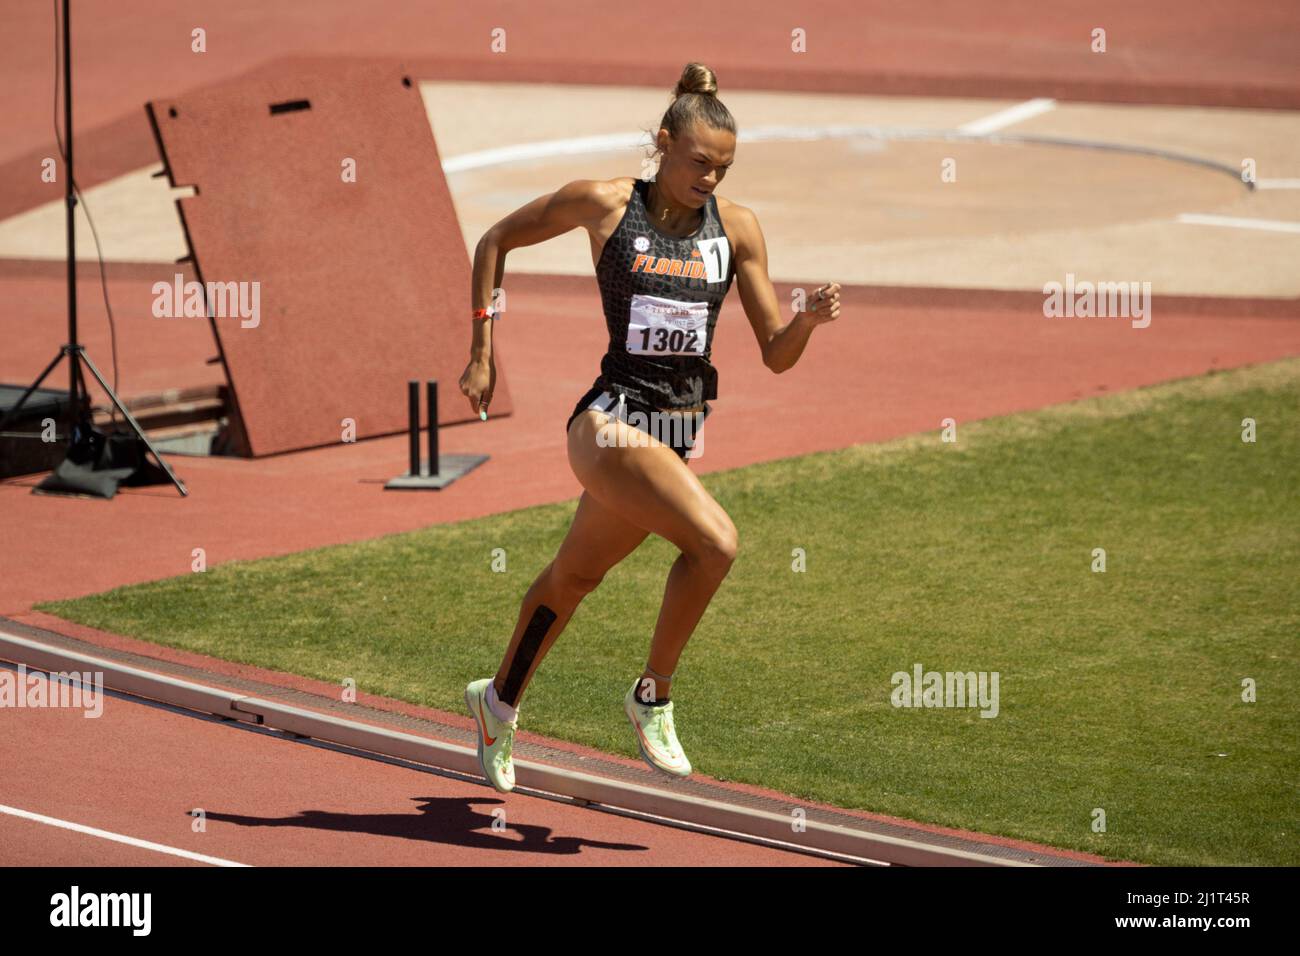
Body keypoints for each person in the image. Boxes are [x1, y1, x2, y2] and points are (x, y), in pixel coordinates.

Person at [460, 62, 841, 792]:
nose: (710, 180)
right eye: (698, 163)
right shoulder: (603, 205)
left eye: (723, 168)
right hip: (607, 422)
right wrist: (482, 352)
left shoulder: (738, 229)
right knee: (716, 544)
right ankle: (653, 695)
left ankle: (497, 703)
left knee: (574, 577)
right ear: (664, 143)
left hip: (671, 437)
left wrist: (807, 323)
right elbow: (494, 242)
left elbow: (776, 356)